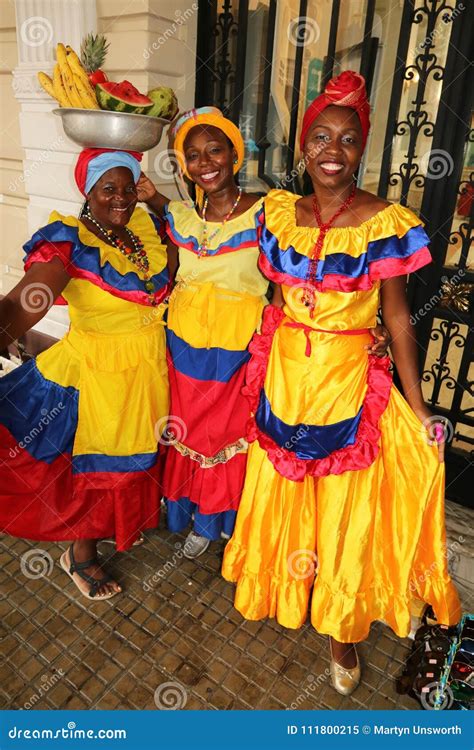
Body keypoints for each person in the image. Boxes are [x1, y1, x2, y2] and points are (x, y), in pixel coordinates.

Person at [222, 72, 461, 695]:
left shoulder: (384, 222)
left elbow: (398, 315)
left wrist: (418, 406)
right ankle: (294, 590)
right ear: (304, 146)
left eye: (348, 140)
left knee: (344, 511)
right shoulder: (279, 214)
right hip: (285, 382)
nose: (333, 149)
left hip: (348, 387)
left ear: (363, 148)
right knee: (290, 500)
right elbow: (279, 300)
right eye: (320, 136)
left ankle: (343, 629)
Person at [139, 107, 392, 558]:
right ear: (184, 166)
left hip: (241, 346)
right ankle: (193, 512)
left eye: (215, 150)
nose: (206, 163)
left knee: (231, 432)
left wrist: (365, 321)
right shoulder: (182, 217)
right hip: (184, 344)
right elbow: (171, 242)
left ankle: (225, 519)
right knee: (190, 430)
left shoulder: (269, 212)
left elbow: (313, 263)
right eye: (193, 155)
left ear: (235, 155)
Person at [0, 148, 171, 599]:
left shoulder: (144, 228)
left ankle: (91, 544)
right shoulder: (69, 241)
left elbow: (188, 246)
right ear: (87, 191)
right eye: (107, 189)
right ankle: (80, 556)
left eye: (128, 188)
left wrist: (159, 203)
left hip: (147, 373)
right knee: (92, 472)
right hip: (95, 377)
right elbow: (25, 301)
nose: (120, 199)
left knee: (131, 465)